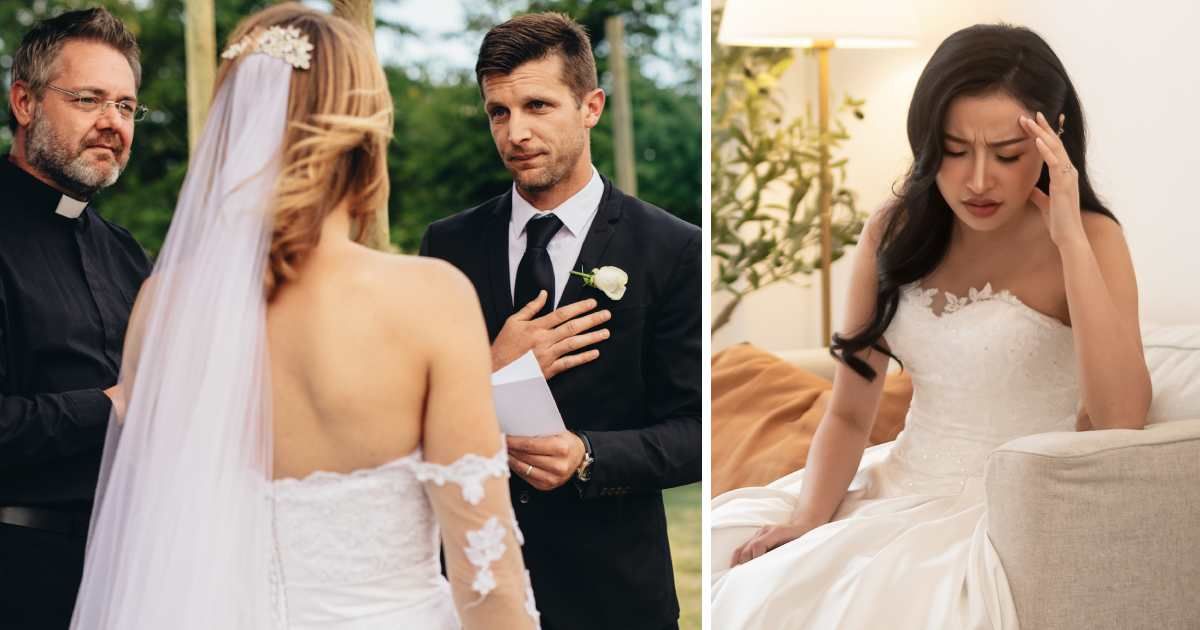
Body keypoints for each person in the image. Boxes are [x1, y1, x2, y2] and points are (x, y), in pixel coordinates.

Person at [69, 4, 537, 629]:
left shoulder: (164, 307)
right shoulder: (431, 300)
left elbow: (154, 538)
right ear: (362, 133)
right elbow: (487, 577)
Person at [710, 23, 1151, 629]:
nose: (978, 180)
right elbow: (849, 413)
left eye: (1007, 154)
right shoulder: (893, 230)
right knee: (738, 563)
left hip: (1009, 512)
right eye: (954, 149)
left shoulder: (1094, 238)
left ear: (1053, 137)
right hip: (898, 483)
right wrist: (809, 518)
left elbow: (1121, 419)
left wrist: (1069, 239)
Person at [420, 13, 701, 630]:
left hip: (614, 592)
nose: (515, 132)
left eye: (537, 106)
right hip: (472, 582)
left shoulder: (674, 249)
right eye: (498, 112)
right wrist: (493, 366)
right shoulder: (447, 245)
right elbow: (407, 414)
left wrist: (589, 455)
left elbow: (696, 430)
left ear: (590, 107)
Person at [0, 8, 151, 629]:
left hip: (129, 577)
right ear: (24, 102)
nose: (112, 122)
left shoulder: (126, 252)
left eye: (125, 106)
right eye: (89, 99)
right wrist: (112, 407)